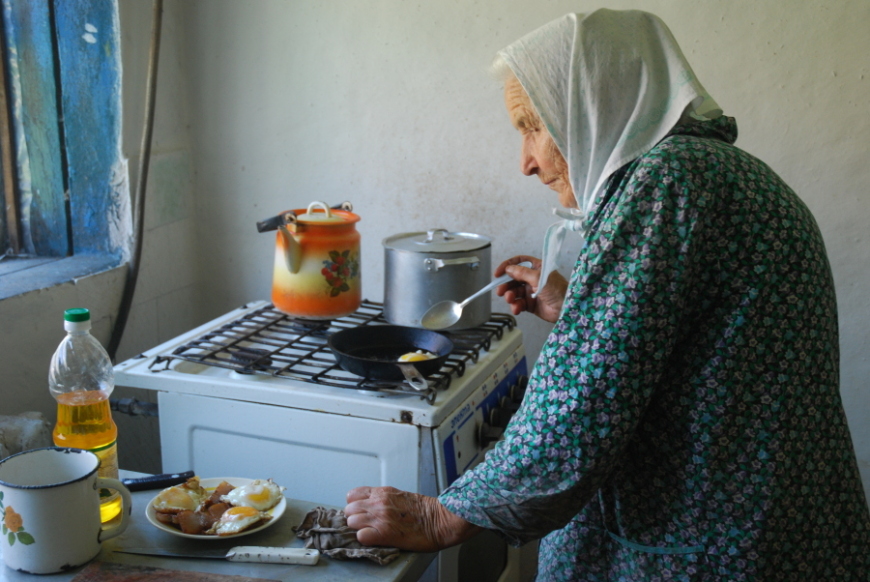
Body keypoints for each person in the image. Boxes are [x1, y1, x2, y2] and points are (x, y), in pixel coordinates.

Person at [345, 9, 870, 580]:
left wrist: (444, 513)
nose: (525, 162)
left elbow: (583, 402)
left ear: (593, 105)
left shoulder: (667, 181)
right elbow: (702, 351)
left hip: (711, 548)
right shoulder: (719, 171)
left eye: (531, 125)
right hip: (778, 527)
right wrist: (577, 311)